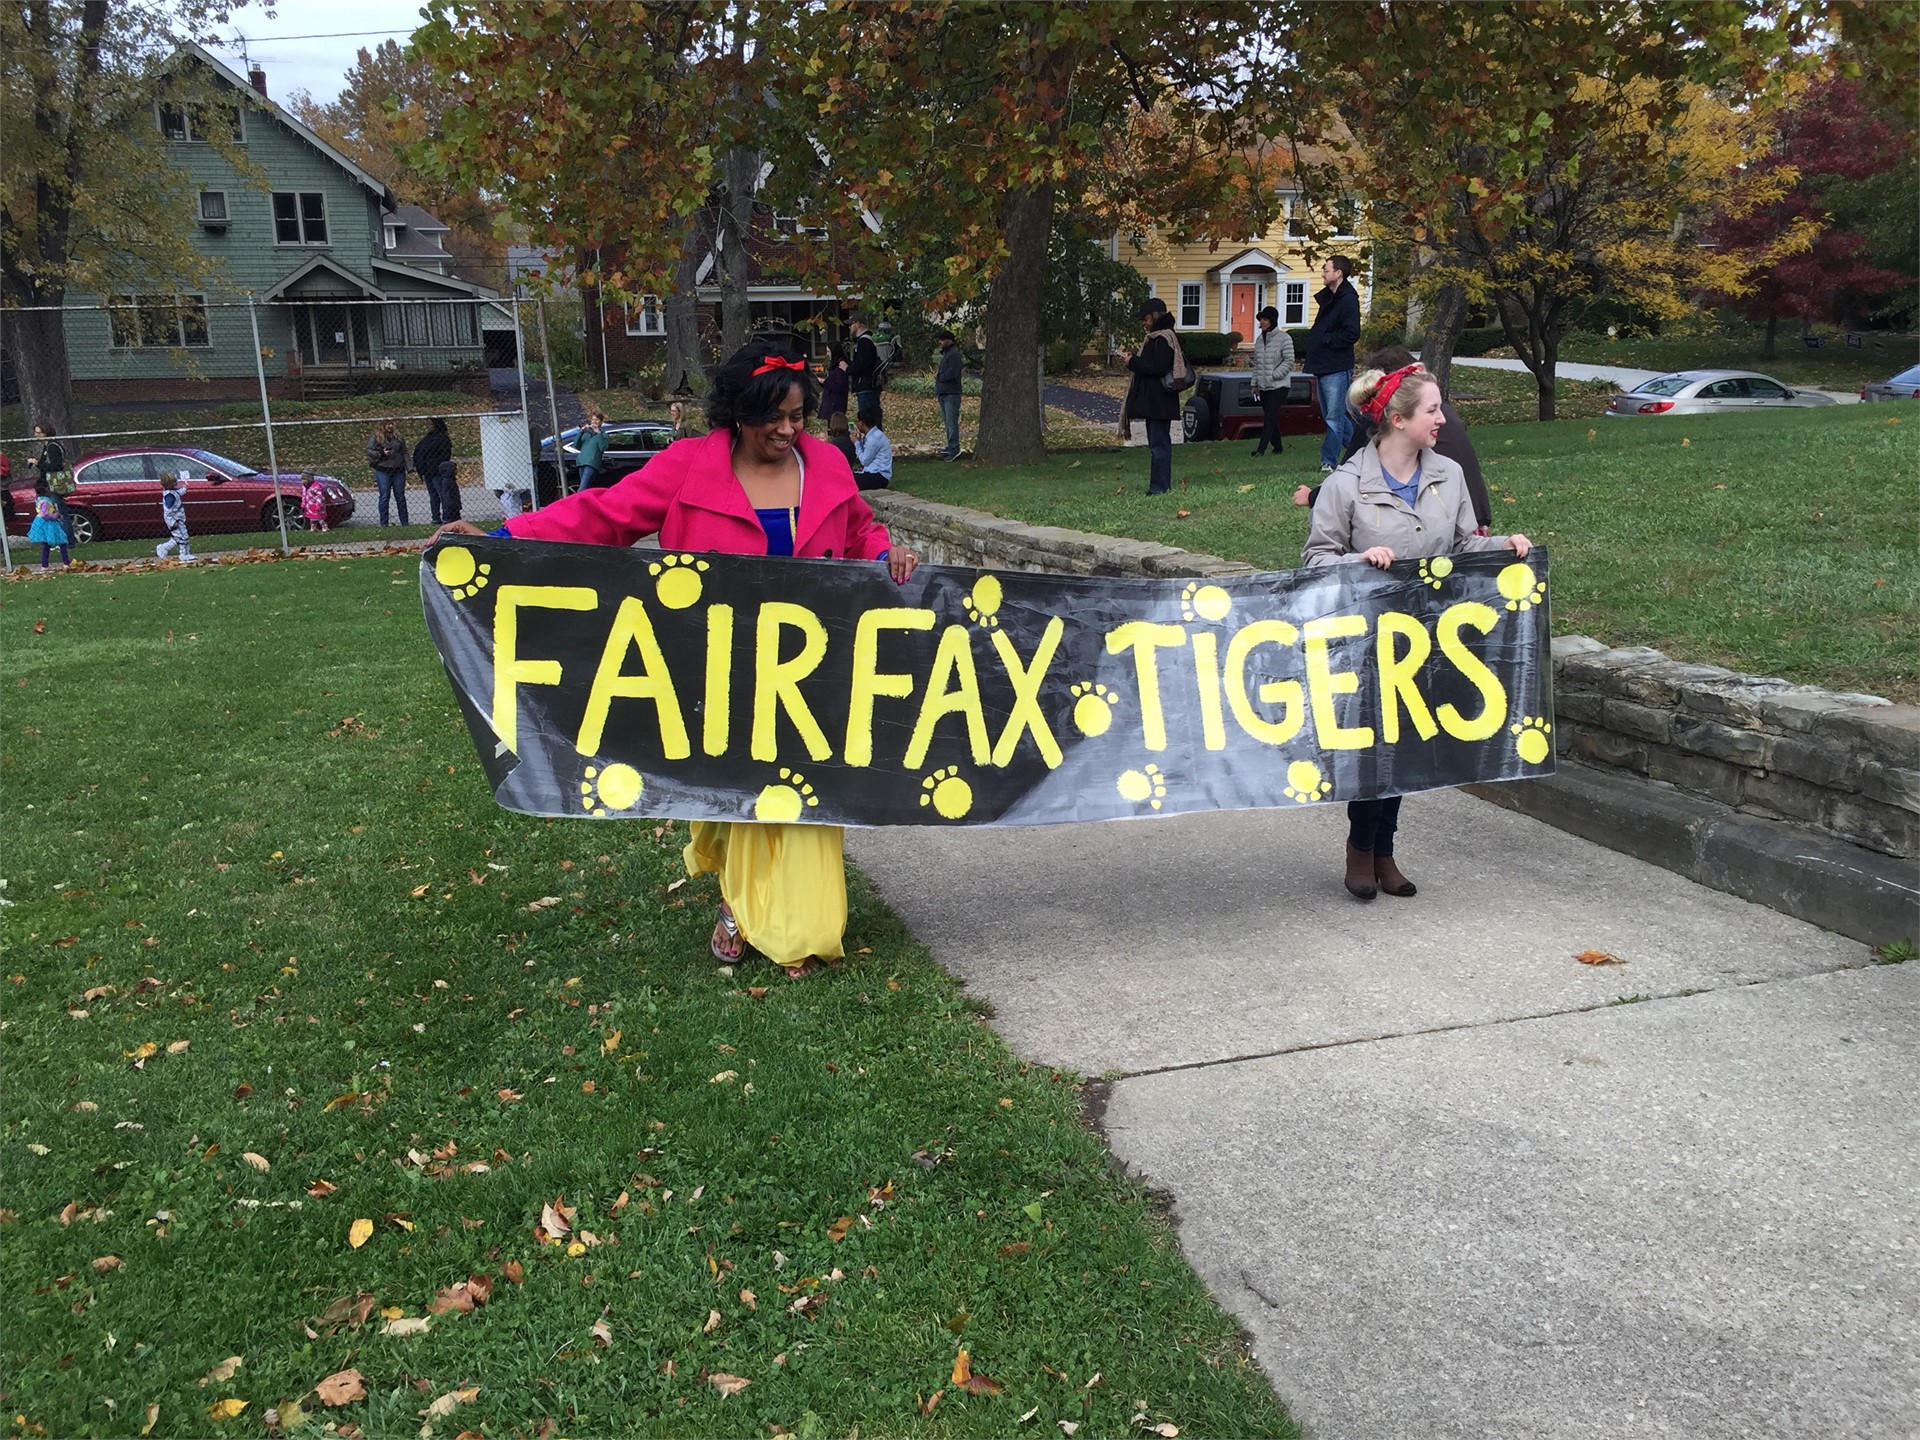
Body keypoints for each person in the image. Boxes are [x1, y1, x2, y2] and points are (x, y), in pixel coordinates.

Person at [432, 342, 919, 979]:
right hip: (714, 667)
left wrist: (889, 552)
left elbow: (859, 530)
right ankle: (742, 904)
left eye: (798, 416)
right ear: (739, 414)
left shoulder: (826, 463)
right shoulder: (689, 466)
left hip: (806, 671)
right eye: (774, 418)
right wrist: (502, 539)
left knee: (802, 796)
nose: (788, 430)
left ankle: (795, 929)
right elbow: (603, 515)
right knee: (740, 794)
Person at [1303, 363, 1532, 902]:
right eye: (1432, 409)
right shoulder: (1344, 485)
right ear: (1399, 418)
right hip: (1365, 638)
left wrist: (1501, 547)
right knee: (1373, 747)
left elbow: (1461, 545)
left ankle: (1386, 853)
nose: (1441, 418)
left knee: (1406, 745)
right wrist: (1360, 558)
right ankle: (1360, 850)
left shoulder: (1448, 474)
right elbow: (1315, 561)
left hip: (1426, 636)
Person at [1294, 346, 1493, 528]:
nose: (1440, 419)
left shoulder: (1387, 420)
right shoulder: (1445, 413)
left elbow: (1352, 472)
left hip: (1451, 523)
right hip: (1478, 517)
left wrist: (1313, 497)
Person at [1302, 256, 1362, 472]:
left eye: (1326, 270)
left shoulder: (1347, 299)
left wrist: (1325, 340)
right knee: (1333, 416)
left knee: (1334, 418)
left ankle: (1329, 461)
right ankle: (1363, 451)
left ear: (1338, 273)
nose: (1322, 274)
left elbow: (1352, 333)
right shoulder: (1331, 297)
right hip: (1323, 364)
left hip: (1336, 365)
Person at [1118, 297, 1182, 495]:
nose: (1144, 323)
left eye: (1145, 319)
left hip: (1160, 401)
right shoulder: (1156, 338)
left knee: (1159, 445)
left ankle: (1160, 487)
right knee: (1157, 443)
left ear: (1155, 317)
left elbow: (1157, 367)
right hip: (1156, 402)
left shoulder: (1163, 339)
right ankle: (1158, 485)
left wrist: (1133, 362)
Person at [1248, 305, 1295, 457]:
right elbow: (1257, 365)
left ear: (1272, 321)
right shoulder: (1259, 340)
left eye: (1265, 319)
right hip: (1263, 386)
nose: (1261, 322)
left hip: (1280, 386)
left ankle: (1261, 449)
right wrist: (1254, 384)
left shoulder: (1284, 338)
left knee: (1269, 416)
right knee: (1271, 417)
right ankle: (1278, 446)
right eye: (1261, 319)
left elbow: (1289, 361)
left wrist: (1274, 375)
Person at [414, 417, 460, 524]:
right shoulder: (427, 438)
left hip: (437, 472)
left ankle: (447, 516)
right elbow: (419, 452)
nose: (428, 426)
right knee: (433, 496)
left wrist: (436, 467)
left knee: (442, 495)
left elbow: (445, 455)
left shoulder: (442, 439)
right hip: (427, 472)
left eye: (430, 424)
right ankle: (435, 517)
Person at [29, 424, 72, 533]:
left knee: (59, 512)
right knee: (53, 511)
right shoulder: (46, 446)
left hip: (56, 484)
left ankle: (67, 540)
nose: (36, 435)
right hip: (49, 484)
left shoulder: (52, 446)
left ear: (46, 433)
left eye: (39, 433)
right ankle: (60, 539)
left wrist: (38, 464)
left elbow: (56, 466)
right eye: (36, 432)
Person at [366, 419, 409, 526]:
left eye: (392, 424)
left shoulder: (398, 437)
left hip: (398, 470)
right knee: (384, 496)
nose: (390, 426)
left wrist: (409, 466)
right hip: (383, 470)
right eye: (388, 424)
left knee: (400, 497)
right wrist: (381, 453)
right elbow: (369, 450)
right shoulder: (376, 437)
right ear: (383, 425)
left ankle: (405, 522)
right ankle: (384, 523)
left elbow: (404, 452)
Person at [933, 329, 964, 460]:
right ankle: (950, 445)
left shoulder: (954, 355)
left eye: (942, 340)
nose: (940, 342)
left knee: (951, 422)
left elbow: (953, 373)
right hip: (944, 392)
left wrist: (939, 376)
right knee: (947, 421)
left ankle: (954, 448)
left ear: (949, 340)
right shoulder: (947, 355)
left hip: (951, 393)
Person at [845, 311, 883, 419]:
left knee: (868, 418)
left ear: (858, 324)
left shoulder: (864, 342)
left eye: (850, 324)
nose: (849, 327)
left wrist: (848, 369)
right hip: (868, 385)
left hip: (866, 386)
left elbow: (862, 365)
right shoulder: (865, 340)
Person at [153, 471, 197, 562]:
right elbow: (168, 511)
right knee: (183, 536)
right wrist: (172, 522)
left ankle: (163, 548)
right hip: (175, 520)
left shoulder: (172, 492)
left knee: (177, 537)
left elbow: (179, 492)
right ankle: (184, 554)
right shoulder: (169, 496)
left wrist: (185, 487)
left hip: (178, 518)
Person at [28, 481, 70, 569]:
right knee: (62, 541)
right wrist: (55, 515)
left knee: (46, 544)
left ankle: (45, 565)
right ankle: (66, 563)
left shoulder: (39, 499)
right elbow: (44, 514)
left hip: (42, 523)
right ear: (47, 489)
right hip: (49, 524)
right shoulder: (46, 501)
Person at [850, 402, 893, 490]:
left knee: (849, 480)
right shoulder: (870, 436)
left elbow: (865, 461)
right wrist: (859, 441)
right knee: (847, 476)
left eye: (858, 421)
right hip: (871, 473)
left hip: (879, 476)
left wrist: (856, 443)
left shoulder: (875, 438)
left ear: (862, 423)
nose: (857, 424)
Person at [818, 343, 851, 439]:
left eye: (829, 351)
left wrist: (825, 382)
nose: (827, 354)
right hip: (832, 403)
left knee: (835, 429)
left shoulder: (840, 366)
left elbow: (839, 386)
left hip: (835, 404)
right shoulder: (834, 366)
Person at [574, 409, 609, 491]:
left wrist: (598, 433)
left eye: (597, 420)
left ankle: (578, 503)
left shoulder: (603, 435)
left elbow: (603, 447)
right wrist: (581, 432)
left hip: (592, 464)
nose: (594, 422)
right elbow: (576, 445)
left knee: (582, 488)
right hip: (581, 462)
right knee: (586, 488)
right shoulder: (586, 434)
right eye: (593, 420)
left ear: (601, 422)